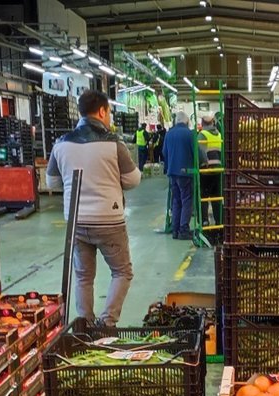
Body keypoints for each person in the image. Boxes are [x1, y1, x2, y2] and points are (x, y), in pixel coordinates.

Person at [45, 89, 141, 327]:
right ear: (101, 111)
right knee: (122, 272)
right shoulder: (113, 143)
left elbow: (52, 182)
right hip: (109, 220)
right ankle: (106, 323)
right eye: (109, 112)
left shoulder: (61, 144)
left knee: (83, 276)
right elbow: (133, 180)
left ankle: (84, 325)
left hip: (76, 222)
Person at [162, 112, 196, 240]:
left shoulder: (169, 134)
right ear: (186, 121)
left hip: (172, 173)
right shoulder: (190, 134)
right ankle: (183, 230)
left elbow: (164, 152)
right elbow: (196, 152)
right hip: (185, 172)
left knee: (176, 200)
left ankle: (175, 230)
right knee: (187, 200)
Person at [198, 114, 223, 226]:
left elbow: (200, 151)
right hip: (217, 170)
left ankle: (204, 221)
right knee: (216, 197)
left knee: (203, 197)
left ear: (202, 123)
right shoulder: (219, 134)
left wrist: (205, 162)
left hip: (206, 171)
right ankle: (219, 221)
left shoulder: (202, 134)